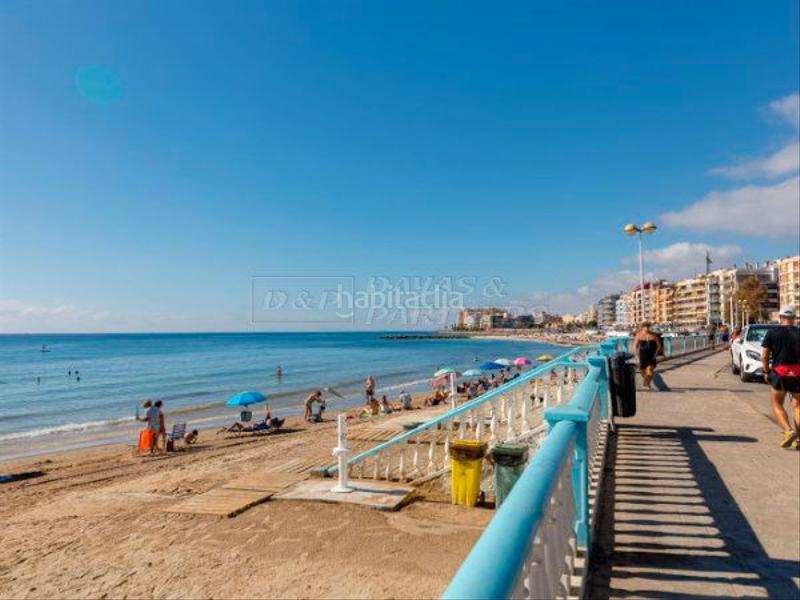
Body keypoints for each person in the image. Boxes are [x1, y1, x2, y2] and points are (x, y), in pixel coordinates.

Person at [761, 306, 800, 450]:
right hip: (798, 373)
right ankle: (799, 440)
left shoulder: (772, 332)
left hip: (780, 372)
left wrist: (766, 371)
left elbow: (764, 355)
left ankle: (788, 431)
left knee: (777, 404)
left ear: (780, 317)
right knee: (798, 406)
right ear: (794, 318)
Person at [633, 322, 662, 390]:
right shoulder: (639, 335)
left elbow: (659, 346)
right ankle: (646, 382)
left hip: (651, 355)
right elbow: (635, 345)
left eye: (648, 326)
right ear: (642, 327)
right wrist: (636, 355)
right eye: (645, 326)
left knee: (650, 372)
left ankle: (647, 383)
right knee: (642, 371)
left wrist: (656, 354)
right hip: (642, 355)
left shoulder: (654, 335)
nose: (647, 328)